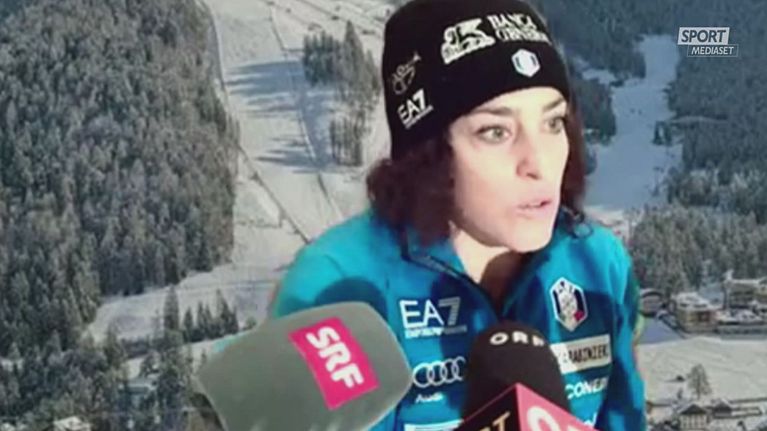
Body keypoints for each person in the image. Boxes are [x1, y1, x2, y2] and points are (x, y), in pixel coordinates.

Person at [270, 0, 647, 429]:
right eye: (495, 132)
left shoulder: (598, 266)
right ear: (430, 154)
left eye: (553, 123)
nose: (539, 163)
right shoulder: (339, 288)